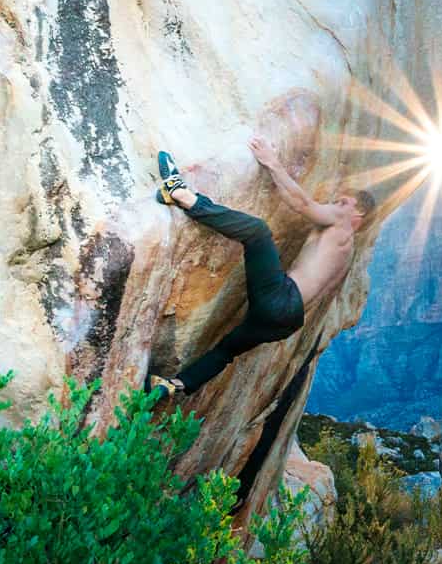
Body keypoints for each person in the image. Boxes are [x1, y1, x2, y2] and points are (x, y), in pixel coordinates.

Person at [147, 139, 374, 398]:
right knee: (226, 351)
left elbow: (303, 205)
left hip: (282, 300)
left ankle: (179, 194)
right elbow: (321, 295)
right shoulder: (346, 255)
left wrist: (272, 162)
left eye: (344, 203)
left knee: (257, 232)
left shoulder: (343, 222)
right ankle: (174, 386)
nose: (336, 205)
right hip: (286, 322)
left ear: (359, 216)